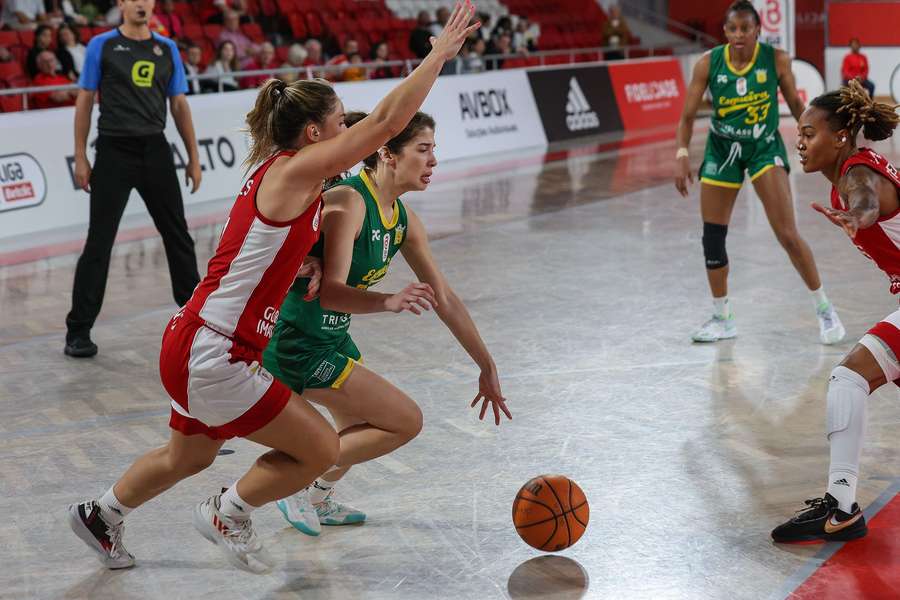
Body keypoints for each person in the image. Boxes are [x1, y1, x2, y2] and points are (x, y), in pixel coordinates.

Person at [66, 1, 482, 573]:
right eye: (341, 125)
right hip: (215, 350)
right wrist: (436, 56)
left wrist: (306, 263)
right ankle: (227, 511)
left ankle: (101, 514)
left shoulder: (292, 179)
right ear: (314, 133)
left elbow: (269, 250)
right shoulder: (295, 171)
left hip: (189, 338)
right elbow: (387, 124)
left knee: (186, 456)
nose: (350, 132)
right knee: (321, 448)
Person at [263, 110, 511, 535]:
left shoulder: (405, 222)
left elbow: (444, 298)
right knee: (404, 421)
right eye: (423, 149)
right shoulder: (349, 201)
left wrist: (485, 365)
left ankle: (317, 494)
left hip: (332, 338)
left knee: (356, 430)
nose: (433, 161)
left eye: (434, 150)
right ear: (388, 154)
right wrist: (389, 301)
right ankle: (294, 480)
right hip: (296, 340)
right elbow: (330, 291)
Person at [771, 80, 900, 543]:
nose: (800, 142)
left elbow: (866, 198)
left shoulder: (855, 178)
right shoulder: (857, 171)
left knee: (849, 377)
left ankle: (841, 507)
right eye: (799, 134)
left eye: (809, 133)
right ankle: (840, 506)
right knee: (851, 377)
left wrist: (859, 215)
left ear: (841, 136)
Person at [674, 0, 844, 345]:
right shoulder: (708, 64)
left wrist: (813, 140)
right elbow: (687, 116)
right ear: (725, 32)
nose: (738, 35)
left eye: (745, 29)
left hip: (764, 147)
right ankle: (722, 318)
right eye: (732, 29)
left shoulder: (776, 59)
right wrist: (681, 153)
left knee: (787, 234)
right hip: (722, 150)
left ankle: (825, 309)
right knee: (712, 237)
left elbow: (798, 107)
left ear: (757, 31)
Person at [64, 0, 203, 357]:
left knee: (178, 235)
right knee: (99, 241)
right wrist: (81, 156)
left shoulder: (167, 48)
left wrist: (194, 157)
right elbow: (84, 101)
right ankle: (78, 330)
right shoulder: (102, 45)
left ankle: (196, 322)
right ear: (121, 4)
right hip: (113, 150)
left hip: (155, 148)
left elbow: (179, 105)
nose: (141, 3)